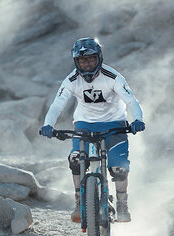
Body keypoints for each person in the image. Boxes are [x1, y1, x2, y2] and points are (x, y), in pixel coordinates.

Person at [40, 37, 145, 223]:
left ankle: (122, 204)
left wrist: (138, 120)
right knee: (75, 159)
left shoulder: (113, 77)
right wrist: (48, 124)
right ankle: (80, 202)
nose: (86, 64)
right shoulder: (71, 80)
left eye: (90, 59)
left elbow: (131, 101)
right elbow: (58, 104)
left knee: (119, 166)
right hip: (84, 124)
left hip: (114, 124)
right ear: (76, 62)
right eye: (82, 61)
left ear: (99, 58)